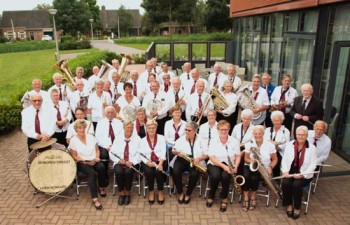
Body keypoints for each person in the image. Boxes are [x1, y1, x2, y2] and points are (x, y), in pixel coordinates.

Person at [69, 119, 108, 209]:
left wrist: (97, 157)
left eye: (83, 127)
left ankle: (101, 187)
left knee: (101, 167)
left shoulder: (91, 137)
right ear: (76, 129)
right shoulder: (73, 140)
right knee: (92, 173)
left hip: (94, 160)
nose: (82, 130)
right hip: (82, 162)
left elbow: (97, 149)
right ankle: (95, 198)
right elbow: (74, 156)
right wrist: (85, 161)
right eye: (79, 128)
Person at [281, 126, 317, 220]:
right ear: (296, 135)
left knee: (296, 185)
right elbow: (284, 160)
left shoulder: (312, 148)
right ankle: (289, 205)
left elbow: (313, 165)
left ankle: (297, 208)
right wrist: (285, 171)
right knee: (285, 183)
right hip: (290, 172)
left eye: (303, 135)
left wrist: (303, 175)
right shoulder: (290, 144)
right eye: (299, 134)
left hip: (304, 175)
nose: (300, 137)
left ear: (306, 136)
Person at [206, 120, 240, 212]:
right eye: (221, 129)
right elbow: (212, 157)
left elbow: (238, 155)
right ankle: (211, 195)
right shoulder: (214, 140)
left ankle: (224, 197)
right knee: (216, 176)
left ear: (229, 129)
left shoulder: (234, 141)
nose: (224, 131)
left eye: (226, 129)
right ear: (218, 130)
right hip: (215, 163)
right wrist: (224, 167)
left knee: (225, 177)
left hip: (229, 164)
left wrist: (236, 166)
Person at [242, 125, 277, 212]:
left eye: (259, 133)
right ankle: (246, 197)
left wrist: (270, 167)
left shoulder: (270, 145)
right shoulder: (249, 144)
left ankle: (253, 196)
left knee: (254, 178)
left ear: (263, 134)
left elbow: (275, 159)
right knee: (245, 176)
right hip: (249, 165)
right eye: (255, 133)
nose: (257, 135)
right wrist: (253, 161)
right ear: (253, 134)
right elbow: (246, 159)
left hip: (263, 168)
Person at [172, 122, 208, 205]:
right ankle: (180, 193)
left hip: (196, 161)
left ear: (195, 131)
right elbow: (173, 150)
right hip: (182, 159)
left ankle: (188, 194)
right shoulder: (181, 139)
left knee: (195, 175)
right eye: (186, 130)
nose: (186, 132)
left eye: (189, 130)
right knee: (175, 172)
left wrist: (199, 158)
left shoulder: (201, 140)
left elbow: (207, 154)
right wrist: (176, 152)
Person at [109, 120, 141, 205]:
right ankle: (121, 192)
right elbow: (111, 152)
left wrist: (133, 162)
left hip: (132, 163)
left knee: (128, 172)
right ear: (123, 128)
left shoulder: (137, 139)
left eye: (131, 127)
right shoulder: (118, 138)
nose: (129, 129)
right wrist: (119, 160)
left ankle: (127, 192)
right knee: (119, 172)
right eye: (128, 127)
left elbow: (140, 154)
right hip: (119, 162)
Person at [139, 120, 167, 205]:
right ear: (147, 129)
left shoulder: (161, 138)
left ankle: (160, 191)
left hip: (160, 160)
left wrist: (160, 164)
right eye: (149, 128)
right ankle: (151, 191)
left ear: (156, 128)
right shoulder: (143, 140)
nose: (151, 130)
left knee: (159, 172)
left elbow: (163, 151)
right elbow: (141, 154)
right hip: (147, 161)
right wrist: (147, 163)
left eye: (153, 128)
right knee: (149, 172)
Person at [95, 106, 123, 180]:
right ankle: (104, 176)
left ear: (115, 113)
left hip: (117, 145)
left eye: (112, 112)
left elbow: (121, 136)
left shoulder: (119, 123)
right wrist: (107, 146)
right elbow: (98, 137)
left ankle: (120, 175)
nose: (110, 114)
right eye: (108, 112)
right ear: (105, 113)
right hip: (104, 146)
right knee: (103, 155)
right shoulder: (100, 123)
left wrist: (115, 146)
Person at [264, 110, 290, 177]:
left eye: (278, 120)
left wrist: (276, 147)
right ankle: (265, 176)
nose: (276, 122)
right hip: (268, 151)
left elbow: (285, 144)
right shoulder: (267, 130)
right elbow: (265, 141)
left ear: (282, 121)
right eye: (274, 120)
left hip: (279, 152)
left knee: (277, 158)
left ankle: (276, 176)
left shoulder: (286, 131)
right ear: (272, 121)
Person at [231, 109, 255, 175]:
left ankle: (240, 176)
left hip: (247, 150)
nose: (246, 121)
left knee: (241, 158)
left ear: (251, 119)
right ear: (242, 118)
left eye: (248, 119)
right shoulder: (236, 127)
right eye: (244, 118)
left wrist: (243, 152)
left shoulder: (254, 129)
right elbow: (232, 139)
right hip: (236, 148)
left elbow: (253, 143)